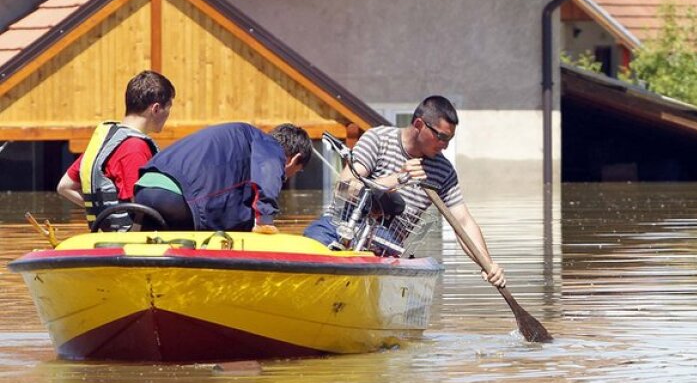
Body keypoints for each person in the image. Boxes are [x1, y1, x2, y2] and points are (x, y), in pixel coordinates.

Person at [304, 95, 506, 287]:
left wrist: (487, 264)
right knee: (309, 245)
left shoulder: (443, 171)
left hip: (384, 244)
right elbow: (346, 187)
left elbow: (463, 222)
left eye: (449, 140)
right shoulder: (378, 139)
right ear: (419, 124)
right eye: (441, 137)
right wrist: (399, 179)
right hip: (339, 226)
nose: (445, 146)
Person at [133, 122, 311, 233]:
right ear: (293, 159)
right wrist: (265, 221)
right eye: (293, 172)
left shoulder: (242, 137)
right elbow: (268, 173)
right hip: (175, 198)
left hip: (143, 190)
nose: (285, 178)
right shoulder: (270, 146)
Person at [57, 70, 176, 230]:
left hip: (105, 242)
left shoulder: (105, 143)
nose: (169, 114)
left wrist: (103, 213)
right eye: (168, 107)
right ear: (155, 109)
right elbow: (140, 203)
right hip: (131, 245)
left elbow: (65, 186)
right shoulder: (135, 147)